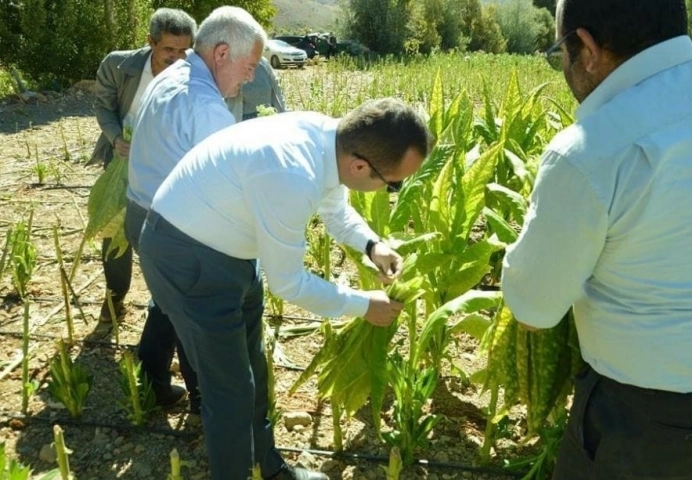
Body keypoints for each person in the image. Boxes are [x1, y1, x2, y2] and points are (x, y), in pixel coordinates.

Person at [500, 0, 692, 479]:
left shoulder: (590, 150)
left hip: (649, 416)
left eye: (559, 52)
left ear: (586, 47)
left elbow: (533, 309)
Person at [137, 97, 434, 480]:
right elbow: (289, 283)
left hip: (231, 250)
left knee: (254, 375)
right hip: (187, 259)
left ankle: (267, 468)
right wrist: (363, 305)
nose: (392, 190)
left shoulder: (329, 140)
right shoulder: (290, 171)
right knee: (229, 393)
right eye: (393, 185)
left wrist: (372, 245)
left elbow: (335, 207)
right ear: (360, 166)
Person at [126, 5, 265, 412]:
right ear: (222, 54)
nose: (251, 76)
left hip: (141, 210)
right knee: (198, 309)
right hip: (174, 228)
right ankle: (206, 399)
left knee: (167, 303)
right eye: (250, 65)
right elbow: (230, 188)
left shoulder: (173, 73)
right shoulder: (205, 106)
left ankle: (151, 380)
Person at [87, 8, 197, 409]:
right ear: (151, 42)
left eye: (185, 50)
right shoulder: (119, 65)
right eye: (169, 49)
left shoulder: (192, 71)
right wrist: (116, 138)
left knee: (154, 235)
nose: (177, 58)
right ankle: (116, 295)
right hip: (121, 157)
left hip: (161, 167)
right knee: (114, 231)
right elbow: (103, 105)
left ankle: (158, 305)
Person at [226, 56, 286, 121]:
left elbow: (277, 90)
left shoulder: (264, 63)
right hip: (244, 121)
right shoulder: (233, 63)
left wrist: (283, 113)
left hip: (268, 117)